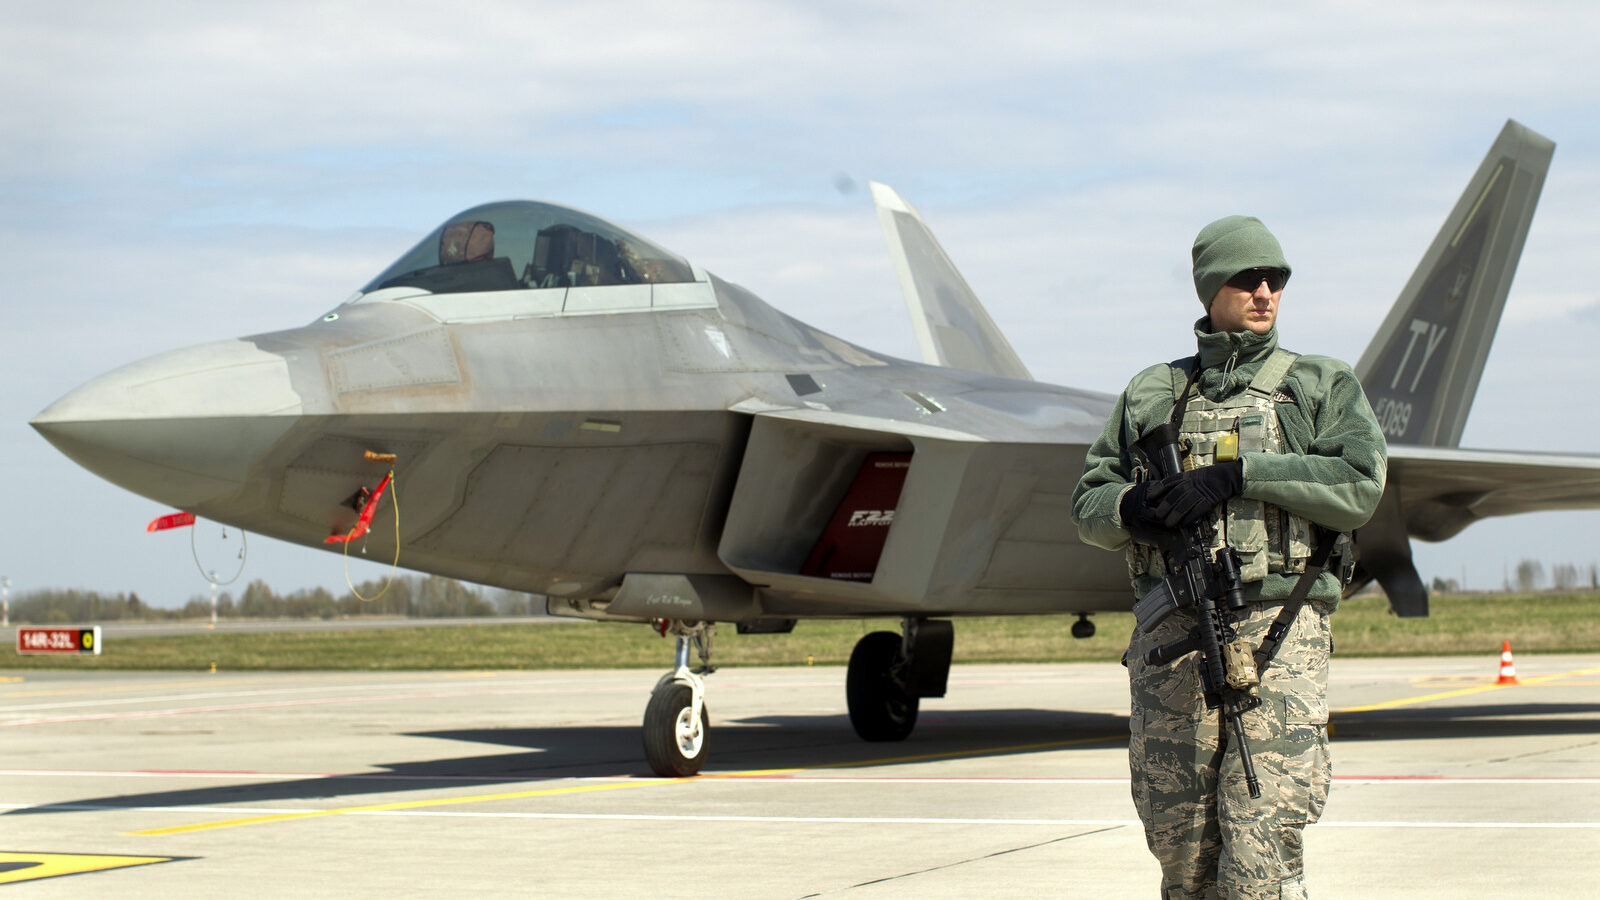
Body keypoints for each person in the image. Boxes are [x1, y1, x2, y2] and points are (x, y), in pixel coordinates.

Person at [1070, 216, 1386, 899]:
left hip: (1276, 626)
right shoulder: (1153, 392)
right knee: (1180, 844)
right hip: (1172, 636)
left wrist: (1241, 476)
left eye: (1275, 279)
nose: (1266, 291)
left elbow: (1359, 486)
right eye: (1248, 278)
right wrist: (1135, 509)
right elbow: (1088, 503)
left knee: (1260, 840)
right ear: (1211, 289)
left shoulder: (1318, 385)